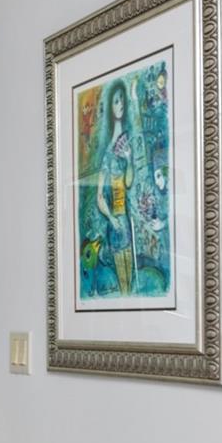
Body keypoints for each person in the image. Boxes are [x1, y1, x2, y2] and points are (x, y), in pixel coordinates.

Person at [95, 79, 138, 295]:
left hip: (126, 217)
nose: (120, 105)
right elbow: (99, 196)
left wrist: (129, 160)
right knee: (122, 281)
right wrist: (111, 219)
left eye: (122, 100)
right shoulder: (107, 155)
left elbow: (129, 182)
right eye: (116, 101)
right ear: (111, 107)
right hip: (115, 221)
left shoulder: (127, 143)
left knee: (129, 279)